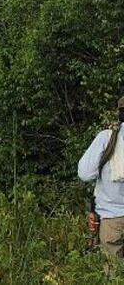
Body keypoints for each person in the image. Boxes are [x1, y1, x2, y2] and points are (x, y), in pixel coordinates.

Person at [78, 96, 124, 275]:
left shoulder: (106, 138)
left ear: (119, 113)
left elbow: (84, 173)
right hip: (111, 217)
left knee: (113, 274)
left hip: (112, 219)